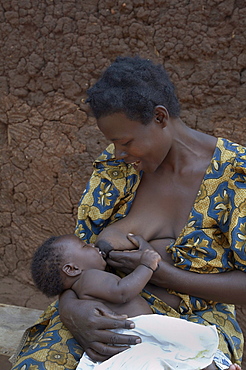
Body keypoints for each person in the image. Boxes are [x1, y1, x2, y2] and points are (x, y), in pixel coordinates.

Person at [11, 56, 245, 370]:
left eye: (125, 142)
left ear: (160, 118)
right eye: (113, 144)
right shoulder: (117, 169)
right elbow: (73, 266)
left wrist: (168, 276)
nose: (119, 153)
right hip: (100, 309)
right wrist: (72, 312)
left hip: (195, 322)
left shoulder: (234, 177)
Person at [30, 234, 220, 370]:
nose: (92, 245)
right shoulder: (89, 278)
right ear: (72, 269)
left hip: (128, 334)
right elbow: (122, 292)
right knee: (186, 341)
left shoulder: (80, 288)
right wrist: (147, 265)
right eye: (84, 246)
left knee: (169, 356)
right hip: (138, 328)